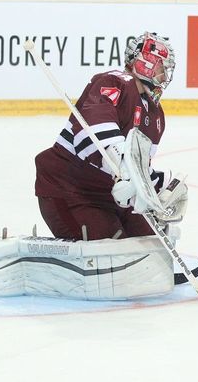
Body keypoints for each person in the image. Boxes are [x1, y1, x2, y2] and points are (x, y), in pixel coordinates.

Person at [34, 32, 180, 242]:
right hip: (71, 190)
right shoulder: (114, 82)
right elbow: (90, 134)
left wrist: (162, 186)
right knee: (111, 243)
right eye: (161, 68)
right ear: (144, 64)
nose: (165, 77)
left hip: (110, 195)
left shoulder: (155, 116)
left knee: (151, 238)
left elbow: (138, 168)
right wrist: (123, 165)